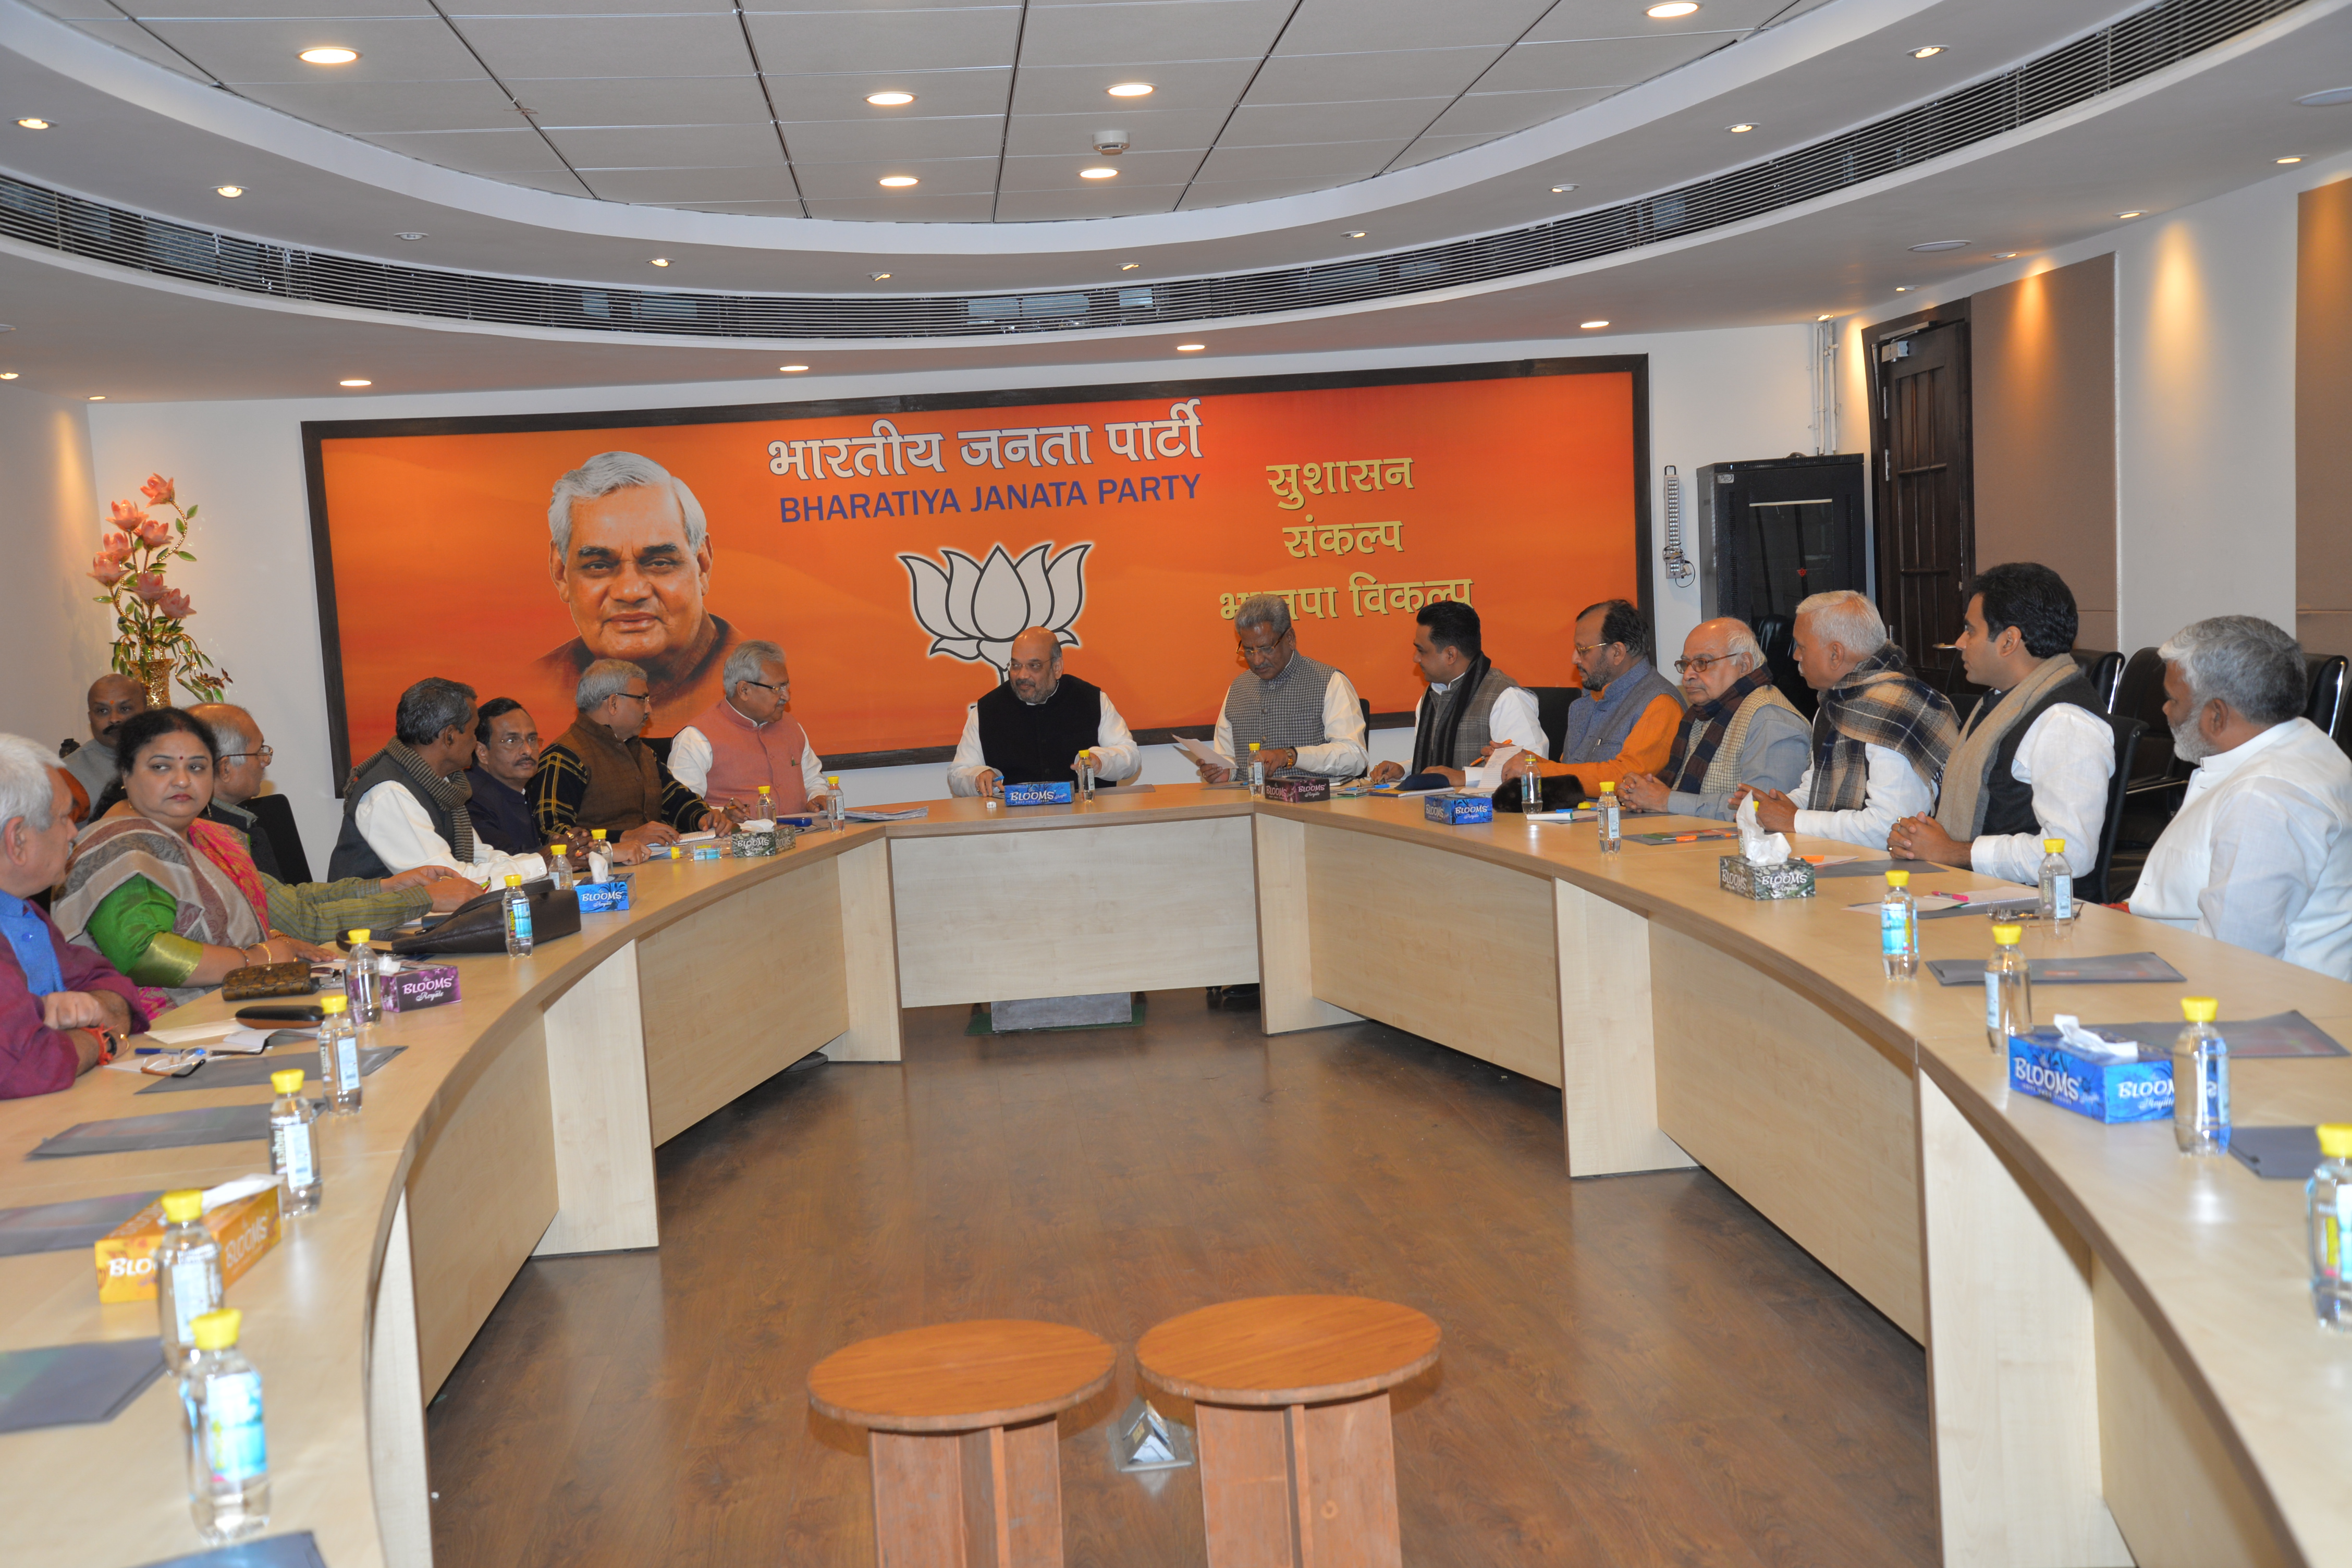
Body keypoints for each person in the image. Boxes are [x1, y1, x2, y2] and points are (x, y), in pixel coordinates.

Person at [54, 708, 466, 1015]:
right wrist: (259, 958)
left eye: (196, 767)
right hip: (164, 1033)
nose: (182, 781)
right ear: (126, 774)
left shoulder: (210, 835)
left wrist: (273, 938)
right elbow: (142, 952)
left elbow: (277, 903)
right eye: (161, 767)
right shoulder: (116, 846)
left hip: (235, 1008)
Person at [2127, 616, 2352, 975]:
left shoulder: (2265, 799)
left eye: (2173, 699)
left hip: (2264, 1010)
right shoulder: (2303, 741)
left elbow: (2231, 959)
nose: (2165, 710)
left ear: (2217, 715)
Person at [1888, 564, 2114, 883]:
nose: (1961, 642)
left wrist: (1954, 852)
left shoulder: (2065, 722)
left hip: (2034, 916)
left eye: (1971, 630)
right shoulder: (2002, 701)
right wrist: (1920, 839)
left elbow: (2070, 855)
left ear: (2009, 641)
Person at [534, 451, 745, 738]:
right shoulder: (534, 690)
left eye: (659, 563)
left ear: (702, 566)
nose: (631, 592)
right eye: (598, 566)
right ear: (561, 573)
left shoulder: (757, 682)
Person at [1735, 591, 1958, 849]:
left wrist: (1794, 820)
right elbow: (1816, 787)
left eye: (1802, 647)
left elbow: (1892, 827)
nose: (1796, 656)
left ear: (1835, 654)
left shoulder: (1894, 709)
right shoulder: (1837, 701)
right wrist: (1778, 806)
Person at [0, 734, 146, 1099]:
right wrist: (99, 1039)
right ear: (17, 839)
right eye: (64, 818)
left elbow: (110, 984)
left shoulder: (23, 912)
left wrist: (95, 1008)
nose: (73, 833)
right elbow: (28, 1068)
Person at [332, 678, 546, 887]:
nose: (475, 742)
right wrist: (541, 864)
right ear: (450, 736)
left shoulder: (442, 785)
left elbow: (480, 857)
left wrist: (543, 862)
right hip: (377, 922)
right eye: (473, 732)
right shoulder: (390, 792)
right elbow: (446, 881)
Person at [530, 659, 733, 859]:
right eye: (642, 699)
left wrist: (704, 818)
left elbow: (676, 799)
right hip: (600, 883)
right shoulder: (563, 757)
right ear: (613, 703)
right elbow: (555, 835)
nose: (648, 709)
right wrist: (624, 837)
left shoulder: (642, 752)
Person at [1618, 618, 1808, 819]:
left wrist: (1666, 801)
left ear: (1744, 665)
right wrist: (1641, 793)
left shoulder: (1771, 720)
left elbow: (1764, 812)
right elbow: (1682, 795)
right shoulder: (1702, 713)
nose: (1687, 676)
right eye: (1686, 664)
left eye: (1702, 663)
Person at [1368, 601, 1547, 787]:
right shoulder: (1431, 696)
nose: (1416, 658)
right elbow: (1440, 766)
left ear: (1451, 655)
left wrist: (1464, 776)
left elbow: (1532, 770)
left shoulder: (1507, 697)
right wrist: (1405, 770)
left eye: (1422, 651)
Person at [949, 628, 1141, 798]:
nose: (1022, 675)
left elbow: (1130, 757)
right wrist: (977, 777)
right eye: (1016, 665)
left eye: (1034, 666)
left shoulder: (1091, 700)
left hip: (1087, 825)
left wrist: (1101, 762)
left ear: (1057, 668)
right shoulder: (987, 710)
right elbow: (958, 773)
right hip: (1013, 830)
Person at [1197, 595, 1369, 781]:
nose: (1257, 660)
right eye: (1249, 650)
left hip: (1312, 806)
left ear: (1290, 639)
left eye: (1266, 648)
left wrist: (1291, 756)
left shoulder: (1330, 682)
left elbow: (1355, 757)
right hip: (1251, 806)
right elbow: (1228, 756)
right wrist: (1225, 772)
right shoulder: (1238, 688)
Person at [1521, 599, 1684, 791]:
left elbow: (1627, 779)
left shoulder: (1660, 704)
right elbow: (1570, 772)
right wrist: (1526, 760)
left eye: (1583, 650)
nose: (1574, 659)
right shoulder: (1587, 702)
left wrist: (1536, 770)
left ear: (1617, 653)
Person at [670, 640, 834, 813]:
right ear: (744, 690)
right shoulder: (696, 738)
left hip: (804, 837)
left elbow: (814, 780)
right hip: (736, 840)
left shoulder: (792, 727)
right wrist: (721, 815)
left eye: (786, 686)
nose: (786, 696)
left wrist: (817, 797)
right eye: (777, 688)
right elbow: (682, 810)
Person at [186, 703, 309, 884]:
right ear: (225, 768)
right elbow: (282, 909)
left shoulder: (246, 817)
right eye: (259, 752)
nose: (265, 761)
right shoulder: (207, 839)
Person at [466, 699, 544, 858]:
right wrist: (557, 851)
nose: (528, 751)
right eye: (512, 741)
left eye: (532, 739)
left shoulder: (521, 791)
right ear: (482, 752)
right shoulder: (471, 798)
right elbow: (499, 862)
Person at [63, 673, 148, 812]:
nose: (114, 719)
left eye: (125, 709)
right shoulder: (69, 775)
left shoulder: (170, 760)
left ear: (147, 713)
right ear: (91, 718)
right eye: (103, 711)